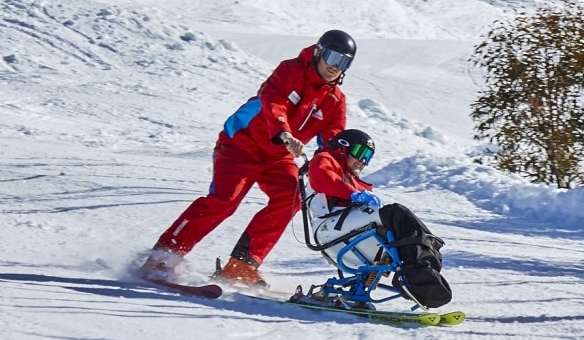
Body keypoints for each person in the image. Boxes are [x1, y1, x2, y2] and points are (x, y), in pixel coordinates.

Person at [137, 30, 357, 286]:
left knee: (292, 197)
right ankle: (164, 255)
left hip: (278, 157)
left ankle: (242, 263)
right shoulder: (291, 71)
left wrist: (342, 168)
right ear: (319, 52)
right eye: (332, 57)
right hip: (241, 145)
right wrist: (284, 133)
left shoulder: (334, 100)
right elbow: (273, 102)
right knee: (224, 201)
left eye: (343, 62)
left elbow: (334, 142)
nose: (334, 66)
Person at [306, 129, 453, 308]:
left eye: (368, 157)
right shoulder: (325, 159)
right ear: (343, 148)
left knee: (401, 228)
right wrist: (354, 194)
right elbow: (322, 177)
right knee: (396, 213)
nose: (363, 161)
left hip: (345, 230)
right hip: (329, 227)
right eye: (360, 152)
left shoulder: (351, 178)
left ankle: (425, 274)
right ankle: (415, 274)